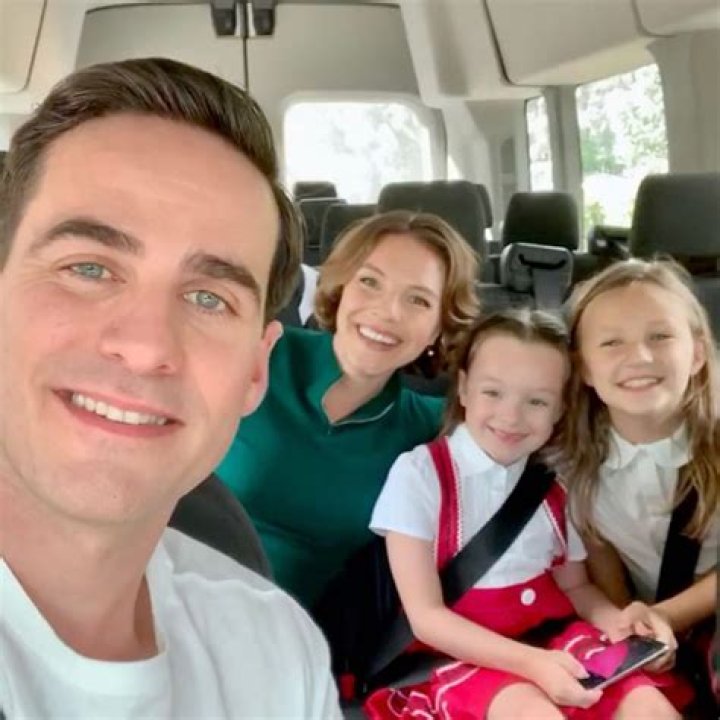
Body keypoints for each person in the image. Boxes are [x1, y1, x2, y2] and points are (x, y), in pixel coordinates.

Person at [0, 58, 340, 718]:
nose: (148, 345)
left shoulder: (279, 650)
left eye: (210, 298)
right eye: (89, 267)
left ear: (255, 372)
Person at [365, 309, 685, 720]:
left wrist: (623, 626)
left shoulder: (554, 483)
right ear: (463, 388)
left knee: (649, 708)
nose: (511, 416)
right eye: (493, 393)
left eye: (537, 401)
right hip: (465, 657)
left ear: (560, 409)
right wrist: (532, 664)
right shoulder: (421, 475)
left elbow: (576, 588)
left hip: (556, 642)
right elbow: (426, 617)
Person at [216, 210, 480, 609]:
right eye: (370, 282)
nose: (388, 312)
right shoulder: (260, 352)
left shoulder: (431, 427)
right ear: (341, 288)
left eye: (418, 300)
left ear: (438, 328)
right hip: (160, 595)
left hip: (287, 631)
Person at [552, 258, 718, 703]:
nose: (639, 357)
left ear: (697, 353)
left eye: (660, 337)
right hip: (650, 619)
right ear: (584, 369)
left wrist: (666, 615)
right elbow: (601, 558)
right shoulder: (573, 464)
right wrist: (635, 627)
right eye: (611, 343)